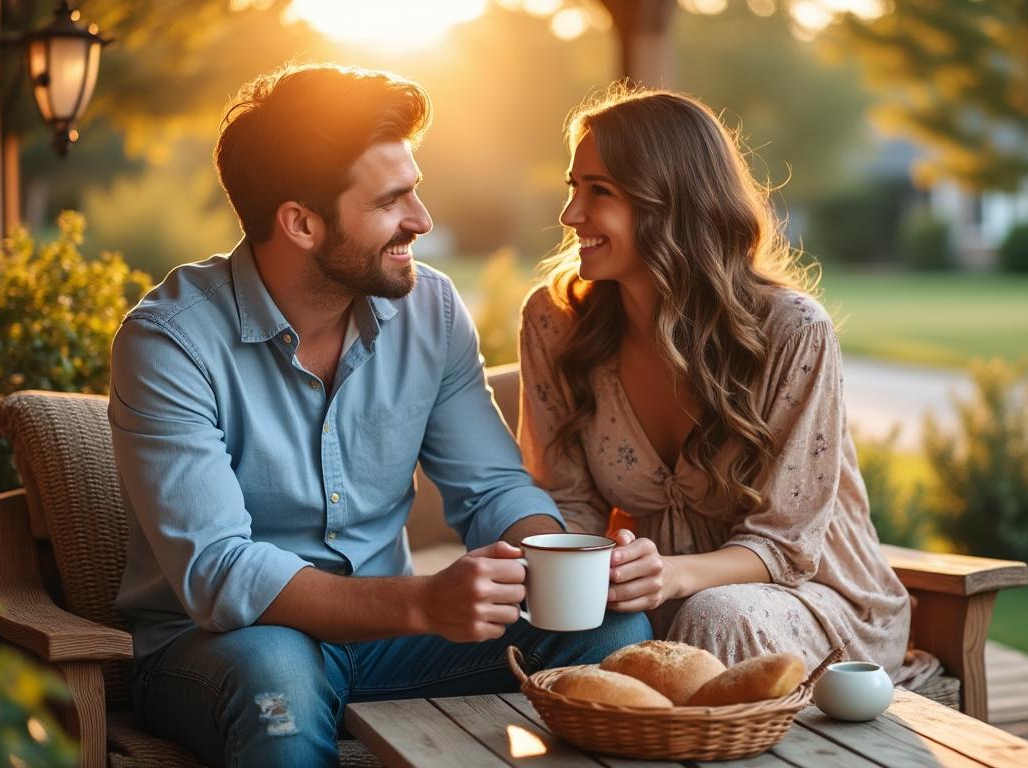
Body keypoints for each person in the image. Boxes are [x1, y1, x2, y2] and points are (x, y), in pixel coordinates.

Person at [109, 64, 650, 768]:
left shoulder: (429, 309)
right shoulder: (170, 341)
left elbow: (490, 488)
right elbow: (219, 571)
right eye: (393, 201)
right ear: (300, 222)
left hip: (389, 643)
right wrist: (422, 604)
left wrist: (565, 560)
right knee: (278, 673)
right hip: (224, 645)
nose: (422, 221)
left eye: (415, 191)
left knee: (610, 631)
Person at [517, 87, 938, 687]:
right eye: (573, 187)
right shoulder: (555, 321)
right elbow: (570, 500)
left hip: (813, 600)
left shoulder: (792, 333)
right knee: (573, 631)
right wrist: (567, 569)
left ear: (670, 203)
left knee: (715, 616)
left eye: (599, 192)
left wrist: (674, 575)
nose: (570, 214)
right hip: (658, 599)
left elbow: (786, 544)